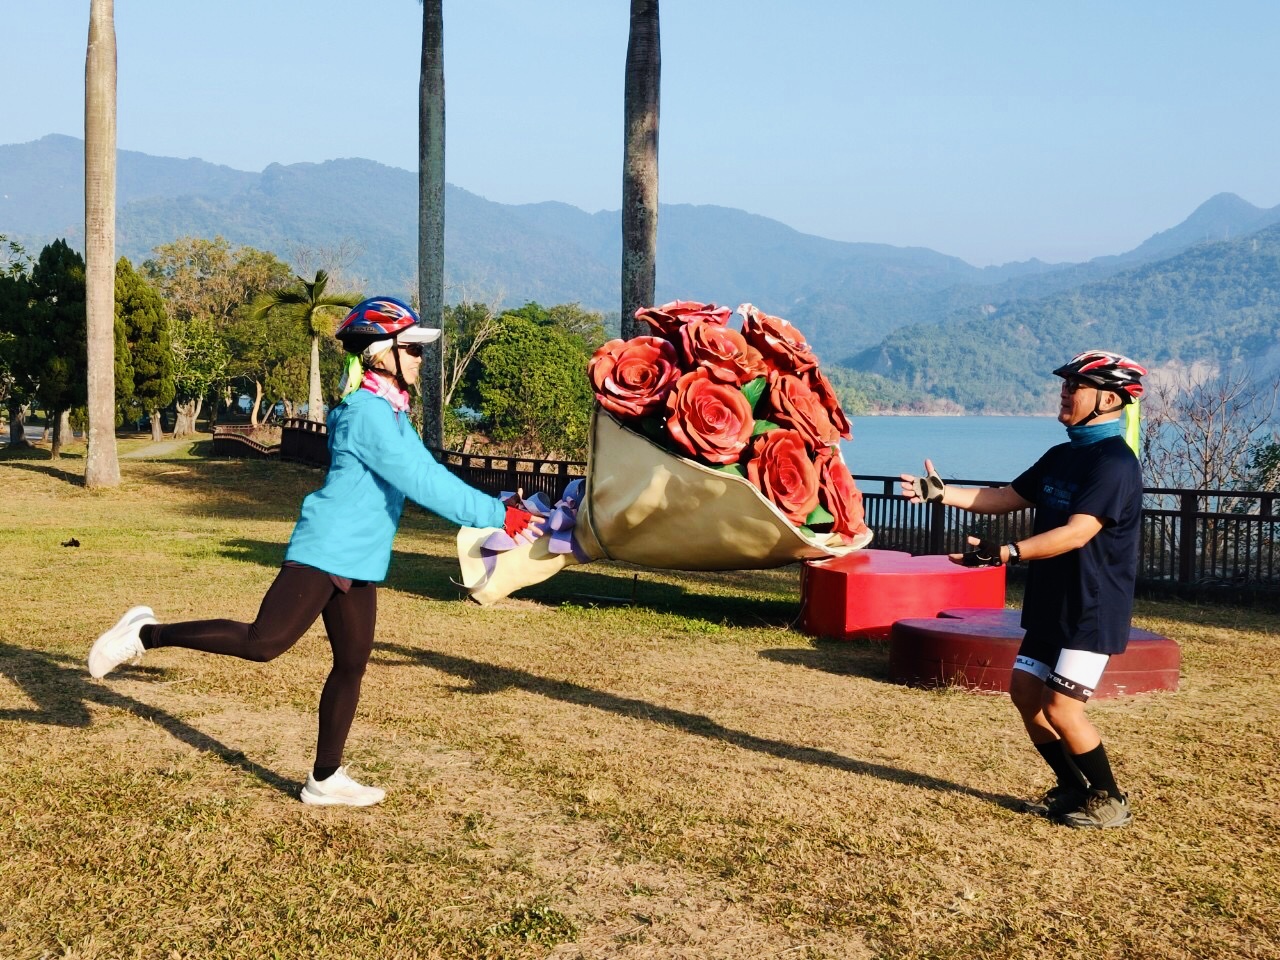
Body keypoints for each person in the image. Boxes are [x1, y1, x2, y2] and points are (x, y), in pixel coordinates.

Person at [89, 297, 540, 807]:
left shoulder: (392, 413)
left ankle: (324, 779)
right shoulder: (367, 414)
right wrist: (497, 516)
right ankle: (144, 634)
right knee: (264, 643)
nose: (419, 359)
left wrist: (499, 503)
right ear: (380, 353)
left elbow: (429, 470)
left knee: (351, 663)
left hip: (360, 560)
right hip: (326, 550)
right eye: (412, 349)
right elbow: (420, 482)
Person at [900, 350, 1147, 829]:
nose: (1065, 391)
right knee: (1024, 691)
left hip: (1090, 606)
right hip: (1051, 598)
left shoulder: (1114, 463)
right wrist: (941, 492)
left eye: (1076, 386)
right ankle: (1074, 787)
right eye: (1066, 384)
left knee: (1061, 707)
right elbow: (1006, 498)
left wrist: (1006, 553)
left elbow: (1077, 532)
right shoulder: (1063, 455)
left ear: (1111, 399)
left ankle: (1110, 799)